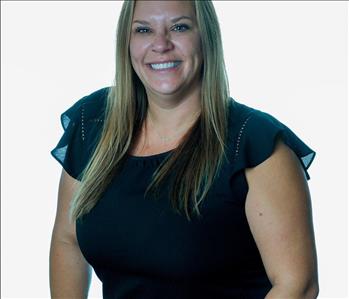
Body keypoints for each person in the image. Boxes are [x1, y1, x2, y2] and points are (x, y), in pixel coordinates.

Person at [49, 1, 319, 298]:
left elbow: (297, 286)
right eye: (143, 30)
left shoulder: (254, 144)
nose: (160, 44)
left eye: (179, 27)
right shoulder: (95, 121)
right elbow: (68, 239)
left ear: (206, 37)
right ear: (126, 42)